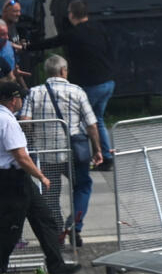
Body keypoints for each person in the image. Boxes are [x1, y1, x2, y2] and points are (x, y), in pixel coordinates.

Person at [18, 55, 103, 247]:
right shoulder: (77, 91)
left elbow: (25, 120)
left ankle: (57, 232)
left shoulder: (34, 92)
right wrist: (98, 149)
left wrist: (35, 137)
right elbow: (91, 124)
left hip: (46, 153)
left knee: (51, 193)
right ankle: (74, 226)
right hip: (74, 152)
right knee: (82, 186)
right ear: (63, 71)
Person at [0, 81, 81, 274]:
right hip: (13, 181)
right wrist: (40, 176)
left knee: (44, 219)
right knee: (9, 230)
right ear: (13, 100)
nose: (22, 101)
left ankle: (56, 265)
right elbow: (20, 156)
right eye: (20, 97)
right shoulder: (7, 121)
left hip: (18, 179)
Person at [27, 0, 116, 169]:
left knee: (84, 122)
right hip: (108, 81)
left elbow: (51, 42)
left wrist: (26, 46)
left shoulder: (74, 33)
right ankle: (105, 157)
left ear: (71, 15)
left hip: (91, 84)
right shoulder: (99, 28)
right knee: (98, 119)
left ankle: (82, 156)